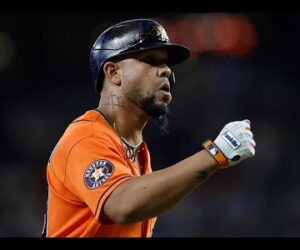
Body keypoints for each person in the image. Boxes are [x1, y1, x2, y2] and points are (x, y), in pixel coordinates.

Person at [42, 18, 256, 237]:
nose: (165, 72)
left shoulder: (138, 151)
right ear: (113, 73)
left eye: (166, 64)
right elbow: (122, 205)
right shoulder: (86, 136)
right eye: (151, 60)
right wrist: (216, 154)